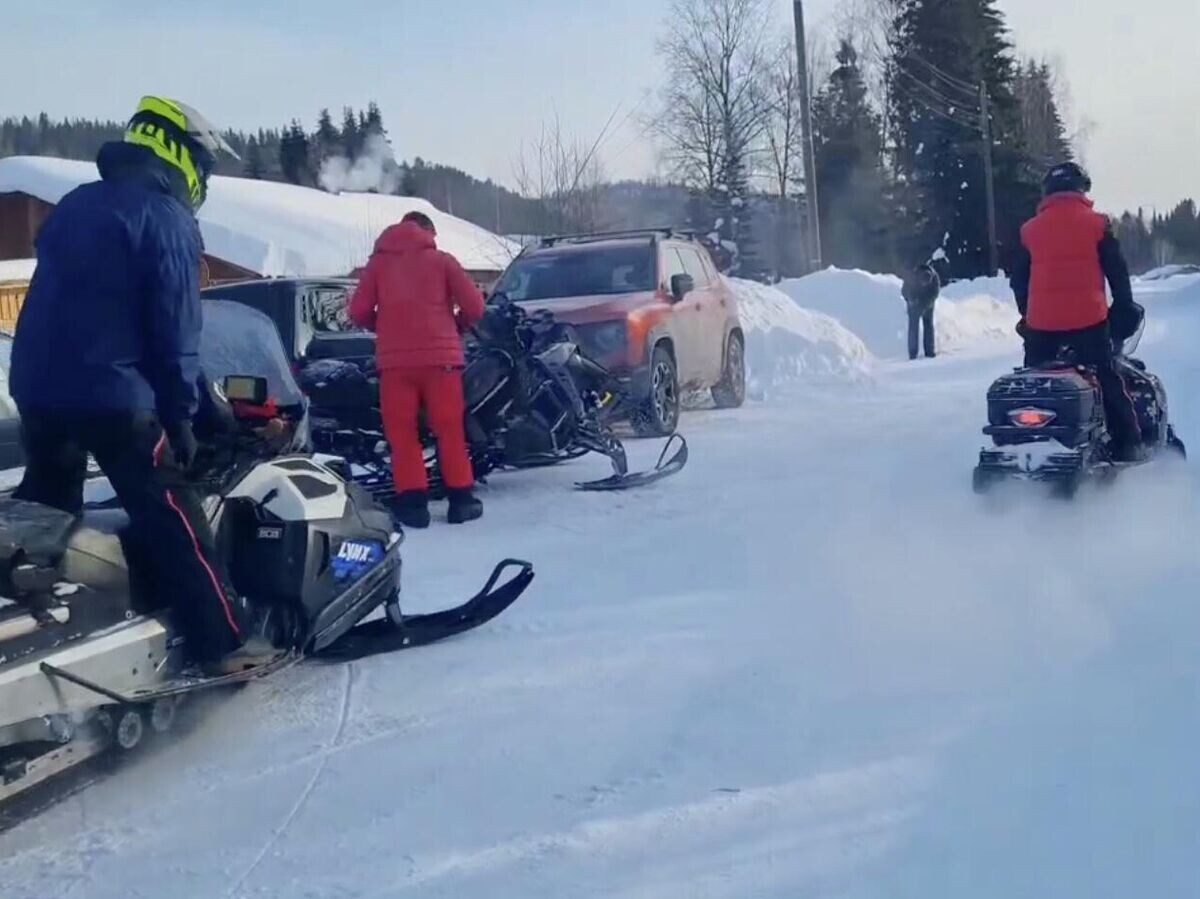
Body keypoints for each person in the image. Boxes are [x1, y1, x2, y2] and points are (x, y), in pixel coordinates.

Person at [10, 96, 276, 675]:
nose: (203, 179)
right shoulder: (166, 217)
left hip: (36, 388)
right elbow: (174, 331)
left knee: (46, 516)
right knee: (170, 512)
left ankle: (41, 630)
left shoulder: (76, 204)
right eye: (203, 165)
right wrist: (187, 417)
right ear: (178, 154)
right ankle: (226, 644)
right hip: (114, 396)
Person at [348, 211, 486, 528]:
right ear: (426, 230)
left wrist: (385, 328)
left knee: (402, 436)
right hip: (442, 362)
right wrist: (456, 326)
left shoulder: (378, 265)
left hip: (395, 365)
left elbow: (358, 312)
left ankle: (413, 507)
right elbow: (476, 307)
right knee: (449, 430)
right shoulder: (443, 261)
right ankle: (461, 502)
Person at [1009, 161, 1143, 462]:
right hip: (1089, 323)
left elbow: (1018, 279)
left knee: (1036, 380)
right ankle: (1128, 444)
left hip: (1041, 326)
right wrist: (1123, 307)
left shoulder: (1030, 231)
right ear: (1081, 189)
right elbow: (1117, 272)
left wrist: (1027, 315)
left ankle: (1027, 440)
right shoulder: (1096, 224)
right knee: (1105, 377)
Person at [901, 261, 940, 360]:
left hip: (928, 302)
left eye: (926, 284)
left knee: (928, 326)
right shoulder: (912, 276)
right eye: (922, 283)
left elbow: (934, 294)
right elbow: (904, 291)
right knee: (913, 328)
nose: (924, 285)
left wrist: (925, 306)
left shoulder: (935, 279)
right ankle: (912, 353)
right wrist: (911, 300)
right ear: (919, 279)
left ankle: (929, 351)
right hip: (914, 302)